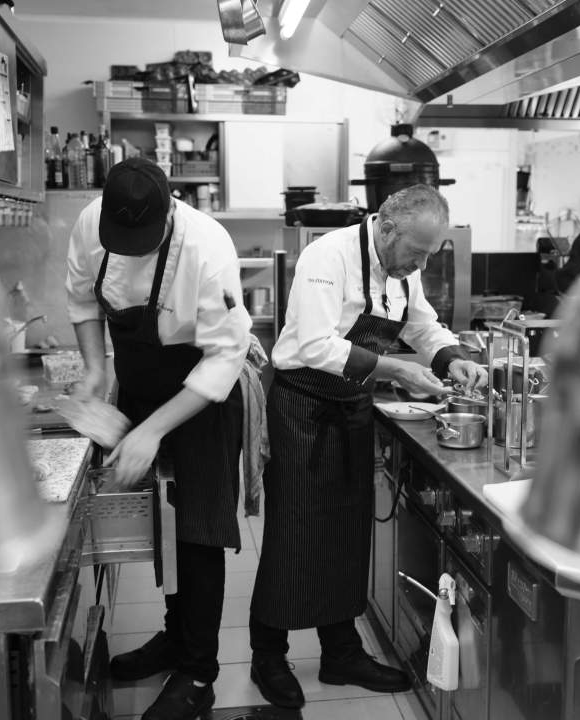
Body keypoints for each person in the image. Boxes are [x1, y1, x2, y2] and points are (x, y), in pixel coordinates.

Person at [248, 184, 488, 709]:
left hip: (352, 408)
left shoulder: (405, 268)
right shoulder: (326, 257)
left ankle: (341, 653)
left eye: (429, 254)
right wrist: (397, 368)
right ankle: (268, 654)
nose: (421, 263)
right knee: (294, 534)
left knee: (347, 533)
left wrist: (451, 358)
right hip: (303, 408)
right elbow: (313, 344)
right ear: (385, 228)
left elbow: (423, 326)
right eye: (416, 252)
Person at [65, 157, 251, 720]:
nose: (130, 248)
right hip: (140, 384)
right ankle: (175, 635)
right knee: (158, 522)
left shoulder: (209, 247)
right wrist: (97, 372)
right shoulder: (92, 223)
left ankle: (199, 673)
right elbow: (80, 298)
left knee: (198, 532)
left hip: (201, 393)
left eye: (141, 241)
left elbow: (225, 355)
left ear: (170, 212)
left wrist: (150, 431)